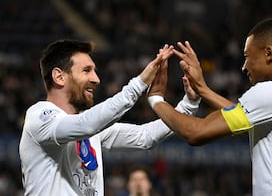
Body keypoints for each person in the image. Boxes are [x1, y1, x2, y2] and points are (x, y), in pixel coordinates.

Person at [147, 18, 272, 195]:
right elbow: (256, 123)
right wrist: (203, 90)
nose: (244, 66)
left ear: (269, 53)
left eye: (247, 56)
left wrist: (156, 99)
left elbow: (195, 132)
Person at [19, 39, 201, 196]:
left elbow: (145, 137)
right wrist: (139, 84)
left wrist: (189, 103)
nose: (96, 79)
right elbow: (85, 126)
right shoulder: (39, 117)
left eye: (94, 71)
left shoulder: (92, 128)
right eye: (86, 70)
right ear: (59, 77)